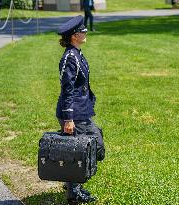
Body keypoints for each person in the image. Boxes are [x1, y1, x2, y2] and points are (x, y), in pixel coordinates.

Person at [56, 15, 105, 204]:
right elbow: (66, 90)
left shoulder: (76, 53)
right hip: (74, 114)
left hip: (82, 112)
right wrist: (68, 119)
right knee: (82, 152)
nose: (85, 32)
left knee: (92, 148)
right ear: (74, 36)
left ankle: (72, 184)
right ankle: (73, 191)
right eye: (82, 31)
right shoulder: (69, 58)